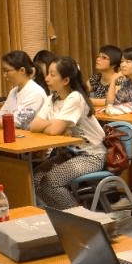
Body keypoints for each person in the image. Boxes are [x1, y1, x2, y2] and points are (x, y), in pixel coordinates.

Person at [29, 57, 107, 209]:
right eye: (47, 74)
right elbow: (33, 125)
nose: (47, 78)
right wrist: (54, 123)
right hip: (68, 155)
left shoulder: (75, 98)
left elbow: (53, 131)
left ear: (65, 80)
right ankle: (62, 215)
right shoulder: (52, 98)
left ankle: (79, 218)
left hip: (91, 156)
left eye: (52, 75)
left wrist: (52, 125)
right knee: (35, 179)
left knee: (51, 182)